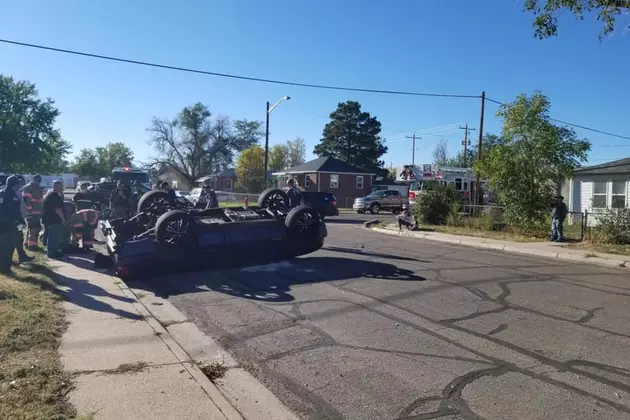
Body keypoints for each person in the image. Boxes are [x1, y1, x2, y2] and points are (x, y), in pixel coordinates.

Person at [0, 175, 31, 273]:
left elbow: (17, 212)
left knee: (11, 247)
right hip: (4, 226)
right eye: (18, 184)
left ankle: (7, 267)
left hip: (14, 226)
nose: (19, 186)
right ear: (13, 184)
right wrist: (6, 222)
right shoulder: (2, 194)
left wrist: (21, 222)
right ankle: (3, 268)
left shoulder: (15, 195)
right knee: (4, 248)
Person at [42, 180, 67, 258]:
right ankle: (52, 253)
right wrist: (63, 219)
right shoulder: (55, 195)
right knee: (54, 237)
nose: (63, 188)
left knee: (51, 236)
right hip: (54, 219)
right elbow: (58, 209)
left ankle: (51, 252)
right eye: (61, 186)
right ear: (57, 186)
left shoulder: (49, 193)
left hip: (48, 219)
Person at [22, 174, 45, 250]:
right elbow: (26, 200)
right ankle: (32, 246)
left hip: (36, 212)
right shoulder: (29, 187)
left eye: (39, 180)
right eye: (37, 180)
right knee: (35, 229)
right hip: (32, 212)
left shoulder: (34, 187)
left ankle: (26, 243)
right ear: (34, 179)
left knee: (30, 228)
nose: (38, 182)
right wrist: (30, 210)